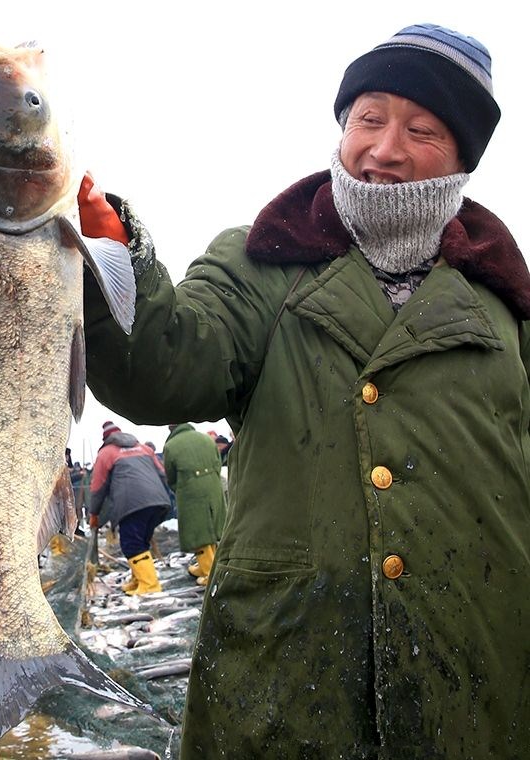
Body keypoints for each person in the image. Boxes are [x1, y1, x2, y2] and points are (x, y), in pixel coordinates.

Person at [78, 23, 528, 758]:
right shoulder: (263, 263)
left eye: (422, 129)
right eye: (369, 118)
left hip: (475, 670)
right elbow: (164, 371)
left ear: (462, 158)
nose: (385, 148)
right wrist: (114, 262)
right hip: (290, 673)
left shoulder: (507, 302)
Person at [87, 422, 170, 595]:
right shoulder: (143, 448)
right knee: (142, 541)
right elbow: (162, 473)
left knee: (131, 543)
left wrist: (93, 512)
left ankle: (149, 586)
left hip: (132, 503)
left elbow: (97, 487)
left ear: (106, 438)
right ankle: (138, 580)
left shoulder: (106, 453)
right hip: (158, 501)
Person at [162, 424, 226, 586]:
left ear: (171, 428)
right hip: (213, 486)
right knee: (212, 527)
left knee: (197, 531)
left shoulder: (171, 446)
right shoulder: (207, 439)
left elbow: (171, 477)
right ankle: (213, 565)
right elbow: (218, 463)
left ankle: (209, 572)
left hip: (190, 490)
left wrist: (181, 488)